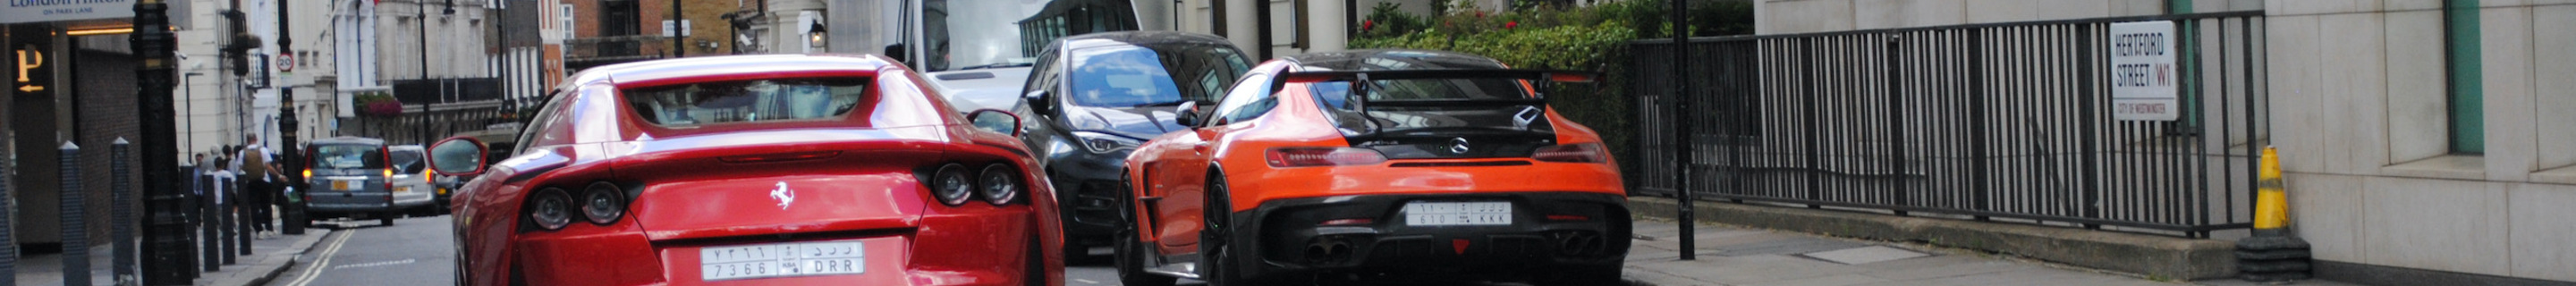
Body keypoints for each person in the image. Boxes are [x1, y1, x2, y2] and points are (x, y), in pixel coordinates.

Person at [234, 136, 281, 239]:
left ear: (247, 140)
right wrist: (279, 175)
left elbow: (239, 169)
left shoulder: (242, 152)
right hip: (264, 180)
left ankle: (259, 231)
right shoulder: (263, 150)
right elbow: (268, 167)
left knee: (254, 206)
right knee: (266, 205)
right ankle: (269, 228)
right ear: (256, 139)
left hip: (250, 182)